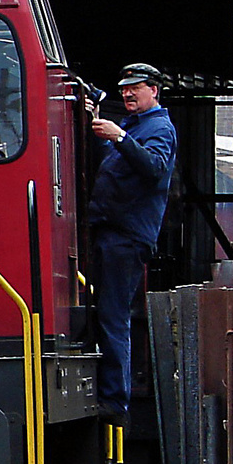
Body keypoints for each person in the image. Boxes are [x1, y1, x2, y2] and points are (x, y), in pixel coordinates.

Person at [86, 63, 178, 423]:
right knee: (106, 314)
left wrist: (118, 138)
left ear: (154, 90)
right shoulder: (135, 126)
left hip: (126, 235)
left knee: (114, 316)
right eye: (124, 89)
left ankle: (115, 402)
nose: (127, 94)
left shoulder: (159, 128)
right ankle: (110, 394)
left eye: (135, 88)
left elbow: (153, 168)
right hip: (111, 230)